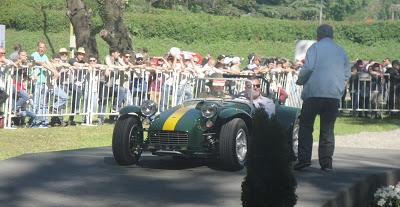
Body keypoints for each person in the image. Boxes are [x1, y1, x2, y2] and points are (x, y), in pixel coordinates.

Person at [295, 24, 351, 172]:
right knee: (327, 129)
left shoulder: (314, 48)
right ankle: (326, 163)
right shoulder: (341, 51)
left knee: (306, 127)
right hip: (332, 95)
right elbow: (347, 74)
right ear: (332, 35)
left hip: (314, 93)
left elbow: (308, 68)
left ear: (318, 35)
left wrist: (300, 80)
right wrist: (339, 90)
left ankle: (304, 159)